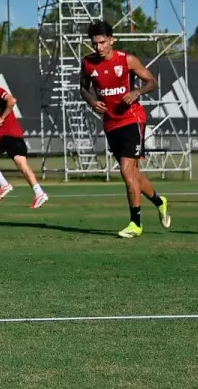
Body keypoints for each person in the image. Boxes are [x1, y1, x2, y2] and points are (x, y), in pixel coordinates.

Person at [80, 20, 171, 238]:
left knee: (126, 171)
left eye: (102, 42)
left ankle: (135, 223)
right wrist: (92, 102)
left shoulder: (127, 60)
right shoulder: (88, 63)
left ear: (112, 40)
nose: (99, 47)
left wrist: (138, 92)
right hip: (110, 124)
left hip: (132, 119)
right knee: (133, 174)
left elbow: (152, 82)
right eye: (95, 44)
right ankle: (160, 201)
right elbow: (83, 88)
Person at [0, 72, 48, 208]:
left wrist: (2, 117)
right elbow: (0, 117)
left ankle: (4, 184)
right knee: (22, 165)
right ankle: (39, 193)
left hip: (6, 134)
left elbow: (12, 101)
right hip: (14, 134)